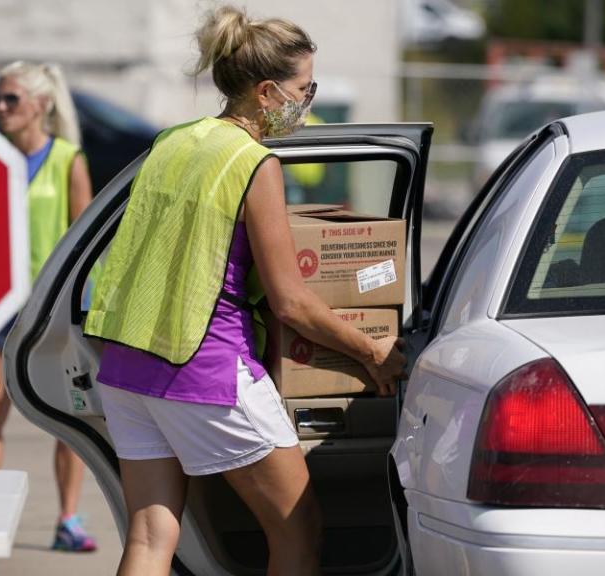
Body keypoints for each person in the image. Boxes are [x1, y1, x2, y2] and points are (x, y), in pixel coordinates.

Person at [83, 6, 408, 576]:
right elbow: (292, 302)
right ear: (265, 92)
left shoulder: (173, 143)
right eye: (304, 90)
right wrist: (374, 351)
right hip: (204, 368)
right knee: (297, 529)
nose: (307, 102)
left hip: (128, 365)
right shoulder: (253, 163)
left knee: (151, 534)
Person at [0, 61, 97, 552]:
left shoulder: (67, 159)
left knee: (68, 417)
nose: (0, 107)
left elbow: (85, 241)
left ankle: (68, 519)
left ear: (40, 105)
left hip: (50, 312)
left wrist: (79, 313)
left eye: (11, 99)